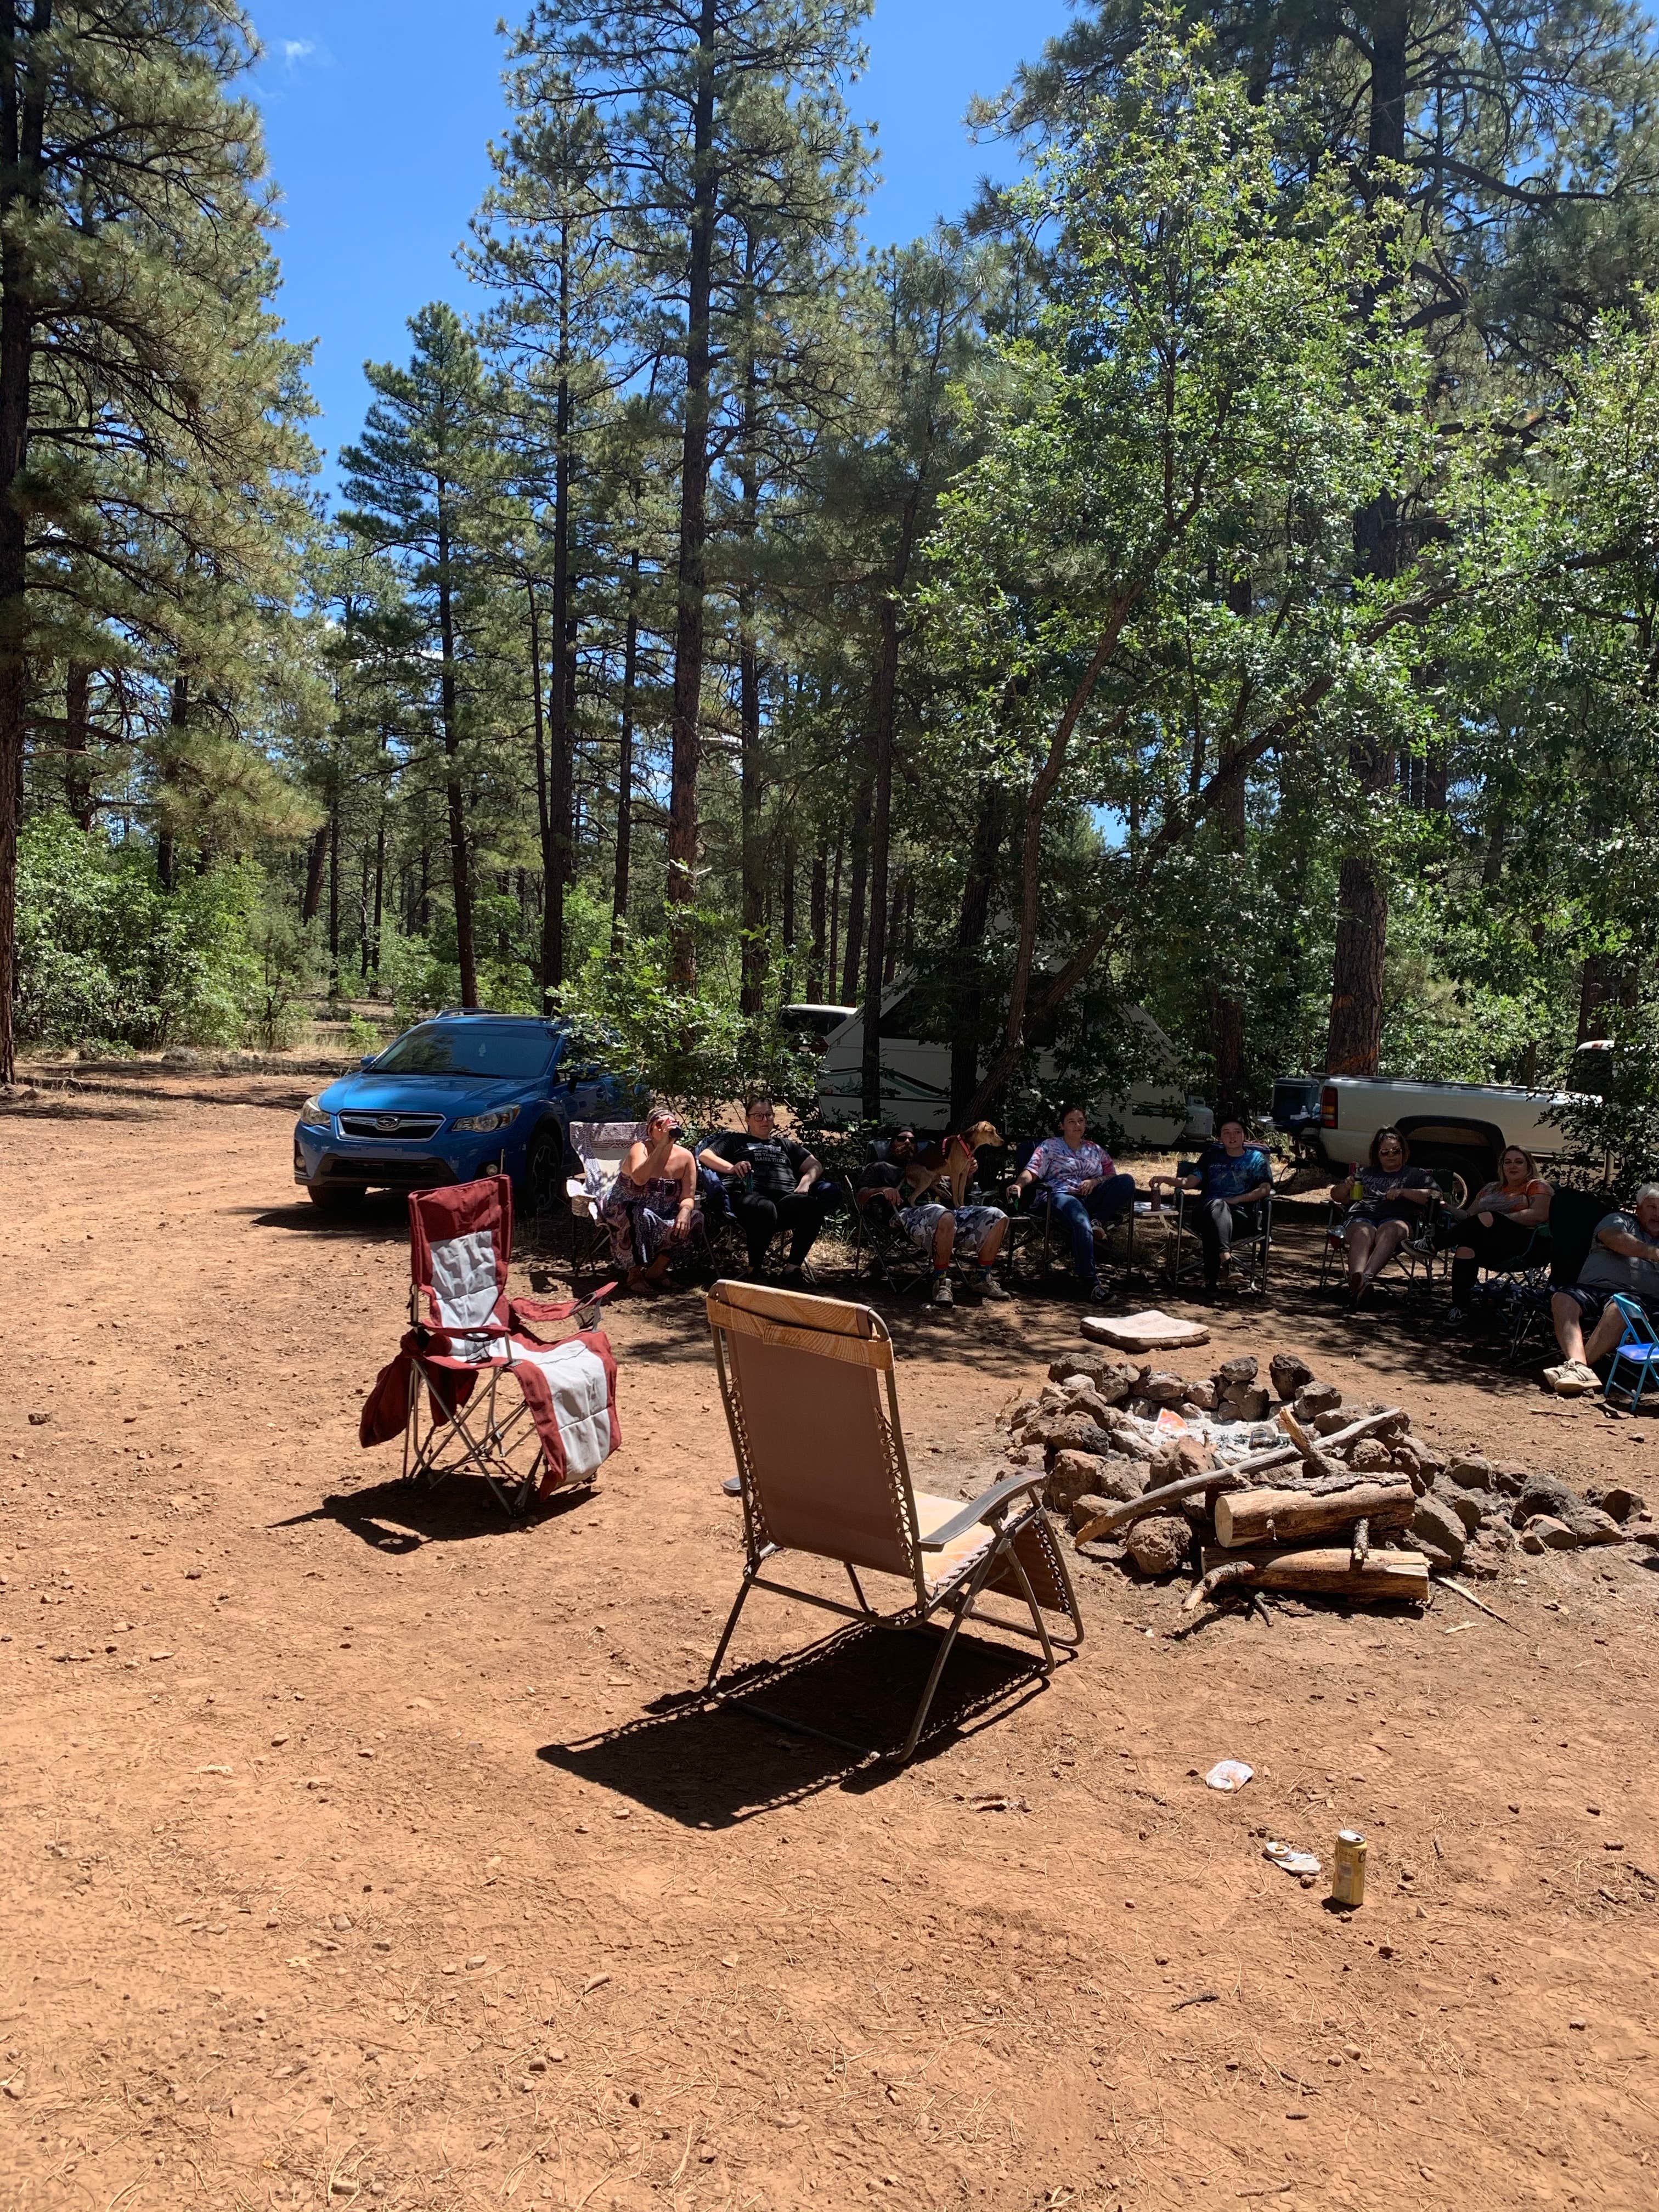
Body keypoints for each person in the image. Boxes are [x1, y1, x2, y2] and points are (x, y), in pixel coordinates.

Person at [855, 1128, 1011, 1306]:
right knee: (942, 1214)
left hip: (949, 1214)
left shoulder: (932, 1167)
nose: (907, 1143)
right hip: (907, 1215)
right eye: (901, 1139)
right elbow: (861, 1196)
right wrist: (882, 1190)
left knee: (997, 1216)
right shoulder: (880, 1168)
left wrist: (968, 1173)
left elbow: (963, 1189)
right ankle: (941, 1282)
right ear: (891, 1145)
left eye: (913, 1141)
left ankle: (982, 1278)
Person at [698, 1096, 834, 1281]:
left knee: (811, 1206)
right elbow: (705, 1156)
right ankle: (754, 1270)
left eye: (768, 1115)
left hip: (785, 1200)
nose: (765, 1120)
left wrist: (805, 1183)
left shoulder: (784, 1144)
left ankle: (792, 1270)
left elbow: (815, 1165)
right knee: (764, 1208)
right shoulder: (735, 1140)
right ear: (747, 1119)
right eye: (758, 1116)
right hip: (748, 1198)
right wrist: (732, 1168)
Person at [1010, 1107, 1137, 1300]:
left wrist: (1095, 1182)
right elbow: (1033, 1170)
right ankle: (1091, 1284)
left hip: (1092, 1197)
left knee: (1127, 1181)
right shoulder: (1050, 1146)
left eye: (1081, 1121)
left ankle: (1098, 1221)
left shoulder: (1095, 1149)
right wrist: (1018, 1185)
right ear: (1062, 1125)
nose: (1078, 1125)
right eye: (1072, 1121)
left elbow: (1112, 1175)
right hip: (1061, 1196)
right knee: (1080, 1221)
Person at [1545, 1184, 1659, 1394]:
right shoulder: (1620, 1220)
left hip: (1638, 1298)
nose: (1658, 1214)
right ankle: (1579, 1368)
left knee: (1620, 1309)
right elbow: (1613, 1239)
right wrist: (1653, 1253)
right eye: (1652, 1207)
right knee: (1562, 1298)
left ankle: (1576, 1369)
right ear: (1638, 1209)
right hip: (1591, 1289)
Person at [1328, 1126, 1437, 1307]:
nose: (1391, 1156)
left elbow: (1436, 1196)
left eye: (1396, 1151)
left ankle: (1363, 1279)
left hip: (1398, 1218)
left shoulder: (1415, 1175)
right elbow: (1336, 1196)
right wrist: (1346, 1186)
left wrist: (1404, 1192)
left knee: (1390, 1229)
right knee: (1363, 1232)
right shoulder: (1365, 1173)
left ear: (1404, 1151)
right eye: (1385, 1152)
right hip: (1361, 1217)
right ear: (1377, 1155)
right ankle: (1360, 1284)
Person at [599, 1104, 702, 1291]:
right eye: (660, 1124)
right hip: (626, 1208)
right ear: (651, 1130)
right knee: (638, 1214)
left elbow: (688, 1196)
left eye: (670, 1123)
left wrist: (686, 1211)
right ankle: (635, 1273)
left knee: (696, 1218)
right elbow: (639, 1179)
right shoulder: (640, 1149)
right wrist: (662, 1145)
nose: (665, 1127)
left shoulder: (686, 1157)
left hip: (663, 1212)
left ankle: (656, 1270)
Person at [1446, 1146, 1554, 1324]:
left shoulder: (1536, 1186)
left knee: (1488, 1219)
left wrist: (1498, 1220)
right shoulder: (1490, 1189)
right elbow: (1469, 1218)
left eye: (1519, 1162)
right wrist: (1446, 1206)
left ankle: (1433, 1244)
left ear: (1529, 1166)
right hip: (1489, 1246)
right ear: (1502, 1166)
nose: (1513, 1166)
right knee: (1465, 1249)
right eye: (1508, 1162)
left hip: (1524, 1246)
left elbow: (1540, 1215)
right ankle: (1460, 1308)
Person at [1177, 1115, 1274, 1294]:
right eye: (1226, 1133)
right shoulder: (1210, 1157)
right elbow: (1189, 1183)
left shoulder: (1257, 1159)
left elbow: (1265, 1190)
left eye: (1237, 1132)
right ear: (1220, 1137)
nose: (1232, 1137)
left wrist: (1236, 1200)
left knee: (1212, 1225)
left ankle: (1211, 1281)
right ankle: (1226, 1259)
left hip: (1240, 1217)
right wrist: (1165, 1179)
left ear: (1244, 1136)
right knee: (1216, 1208)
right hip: (1205, 1210)